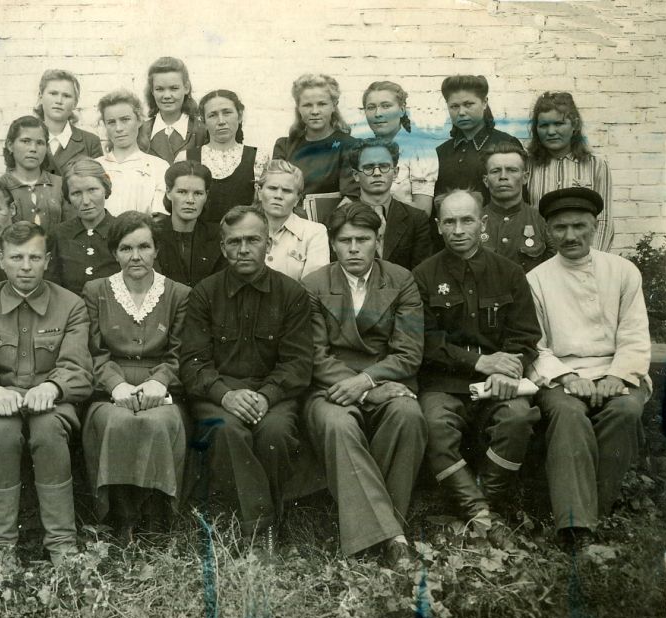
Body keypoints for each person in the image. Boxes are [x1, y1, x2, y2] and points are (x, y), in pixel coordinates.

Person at [0, 222, 92, 580]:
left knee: (47, 430)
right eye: (16, 258)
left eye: (34, 257)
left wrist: (54, 387)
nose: (26, 266)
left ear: (47, 260)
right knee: (3, 432)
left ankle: (62, 545)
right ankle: (0, 549)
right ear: (1, 260)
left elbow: (78, 368)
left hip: (51, 402)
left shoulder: (71, 305)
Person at [180, 205, 313, 554]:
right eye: (234, 242)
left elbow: (298, 363)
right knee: (227, 431)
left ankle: (253, 521)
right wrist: (225, 395)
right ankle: (262, 528)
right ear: (222, 248)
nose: (243, 249)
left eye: (252, 240)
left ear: (268, 244)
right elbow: (193, 362)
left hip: (273, 393)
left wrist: (267, 396)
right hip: (218, 394)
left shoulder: (292, 294)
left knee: (275, 432)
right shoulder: (204, 293)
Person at [413, 190, 541, 545]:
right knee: (433, 424)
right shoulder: (422, 276)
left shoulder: (510, 273)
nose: (458, 230)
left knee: (518, 418)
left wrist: (507, 369)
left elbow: (525, 336)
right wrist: (480, 362)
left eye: (466, 220)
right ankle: (484, 516)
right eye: (449, 222)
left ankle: (484, 503)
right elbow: (425, 340)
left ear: (482, 223)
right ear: (438, 226)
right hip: (444, 383)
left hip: (499, 383)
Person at [303, 201, 426, 566]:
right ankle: (394, 538)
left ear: (378, 240)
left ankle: (383, 527)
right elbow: (315, 354)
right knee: (338, 424)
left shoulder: (401, 280)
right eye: (345, 241)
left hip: (388, 380)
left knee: (408, 415)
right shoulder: (314, 285)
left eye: (363, 239)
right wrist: (362, 387)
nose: (354, 248)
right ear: (333, 244)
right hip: (330, 386)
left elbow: (408, 352)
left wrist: (369, 381)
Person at [527, 187, 650, 551]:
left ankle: (594, 510)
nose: (570, 236)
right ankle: (575, 526)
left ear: (594, 227)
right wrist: (568, 377)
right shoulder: (537, 279)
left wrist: (616, 376)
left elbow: (634, 333)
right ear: (548, 231)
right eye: (560, 228)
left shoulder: (623, 271)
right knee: (567, 415)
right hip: (562, 375)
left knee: (625, 410)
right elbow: (535, 345)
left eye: (579, 226)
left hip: (616, 370)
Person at [81, 212, 191, 543]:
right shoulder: (96, 291)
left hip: (162, 387)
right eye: (126, 248)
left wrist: (161, 380)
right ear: (114, 253)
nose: (136, 256)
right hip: (109, 388)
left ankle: (156, 518)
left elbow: (182, 351)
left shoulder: (178, 293)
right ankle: (122, 518)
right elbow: (93, 350)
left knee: (157, 423)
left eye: (144, 247)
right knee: (116, 423)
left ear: (156, 250)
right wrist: (115, 384)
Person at [526, 91, 614, 252]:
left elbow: (604, 219)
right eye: (544, 125)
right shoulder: (528, 166)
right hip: (539, 255)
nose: (551, 131)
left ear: (574, 125)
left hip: (583, 254)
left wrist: (591, 258)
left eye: (559, 124)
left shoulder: (596, 165)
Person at [272, 74, 357, 225]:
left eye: (322, 104)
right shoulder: (285, 145)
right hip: (288, 226)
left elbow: (351, 196)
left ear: (334, 105)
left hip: (331, 227)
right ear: (298, 108)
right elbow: (274, 192)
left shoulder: (349, 145)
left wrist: (322, 231)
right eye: (307, 105)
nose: (315, 111)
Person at [178, 90, 269, 228]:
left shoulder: (259, 157)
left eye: (227, 113)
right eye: (212, 115)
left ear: (239, 116)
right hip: (198, 238)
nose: (221, 121)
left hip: (243, 237)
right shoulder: (185, 158)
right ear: (204, 122)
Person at [343, 138, 433, 271]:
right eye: (369, 167)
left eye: (384, 166)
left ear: (395, 172)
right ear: (356, 175)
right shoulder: (342, 218)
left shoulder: (416, 219)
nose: (377, 173)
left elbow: (421, 272)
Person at [434, 75, 524, 204]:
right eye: (454, 106)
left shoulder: (506, 144)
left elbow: (520, 200)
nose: (461, 112)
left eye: (468, 104)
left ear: (484, 103)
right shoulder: (441, 152)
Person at [362, 81, 437, 215]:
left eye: (386, 106)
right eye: (371, 107)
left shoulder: (419, 149)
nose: (378, 113)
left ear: (402, 110)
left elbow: (423, 211)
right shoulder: (363, 149)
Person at [49, 159, 121, 295]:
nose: (86, 201)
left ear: (105, 188)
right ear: (68, 196)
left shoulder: (123, 232)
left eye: (92, 190)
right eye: (76, 193)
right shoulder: (58, 235)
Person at [480, 143, 553, 272]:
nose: (503, 176)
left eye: (512, 170)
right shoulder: (473, 221)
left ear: (525, 178)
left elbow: (552, 270)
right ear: (486, 180)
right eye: (495, 171)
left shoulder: (542, 221)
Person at [96, 89, 169, 216]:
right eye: (111, 122)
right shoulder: (96, 167)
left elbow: (159, 217)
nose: (119, 128)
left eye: (125, 120)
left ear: (139, 121)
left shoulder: (158, 167)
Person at [255, 159, 330, 281]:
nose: (278, 196)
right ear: (259, 192)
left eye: (287, 191)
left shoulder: (314, 233)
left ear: (297, 199)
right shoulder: (243, 228)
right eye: (272, 188)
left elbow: (314, 285)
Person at [153, 160, 224, 287]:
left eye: (198, 193)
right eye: (182, 192)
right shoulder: (153, 235)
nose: (190, 200)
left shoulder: (217, 236)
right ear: (168, 192)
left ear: (206, 195)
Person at [0, 116, 71, 231]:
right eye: (26, 141)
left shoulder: (60, 184)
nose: (33, 148)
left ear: (46, 148)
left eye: (40, 143)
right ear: (10, 145)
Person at [34, 69, 104, 177]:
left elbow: (97, 184)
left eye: (66, 96)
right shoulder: (24, 138)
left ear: (75, 103)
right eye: (53, 93)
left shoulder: (90, 143)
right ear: (40, 96)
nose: (59, 101)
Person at [138, 57, 205, 163]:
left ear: (186, 88)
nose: (167, 96)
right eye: (159, 89)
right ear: (152, 91)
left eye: (174, 88)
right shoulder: (140, 132)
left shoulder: (202, 131)